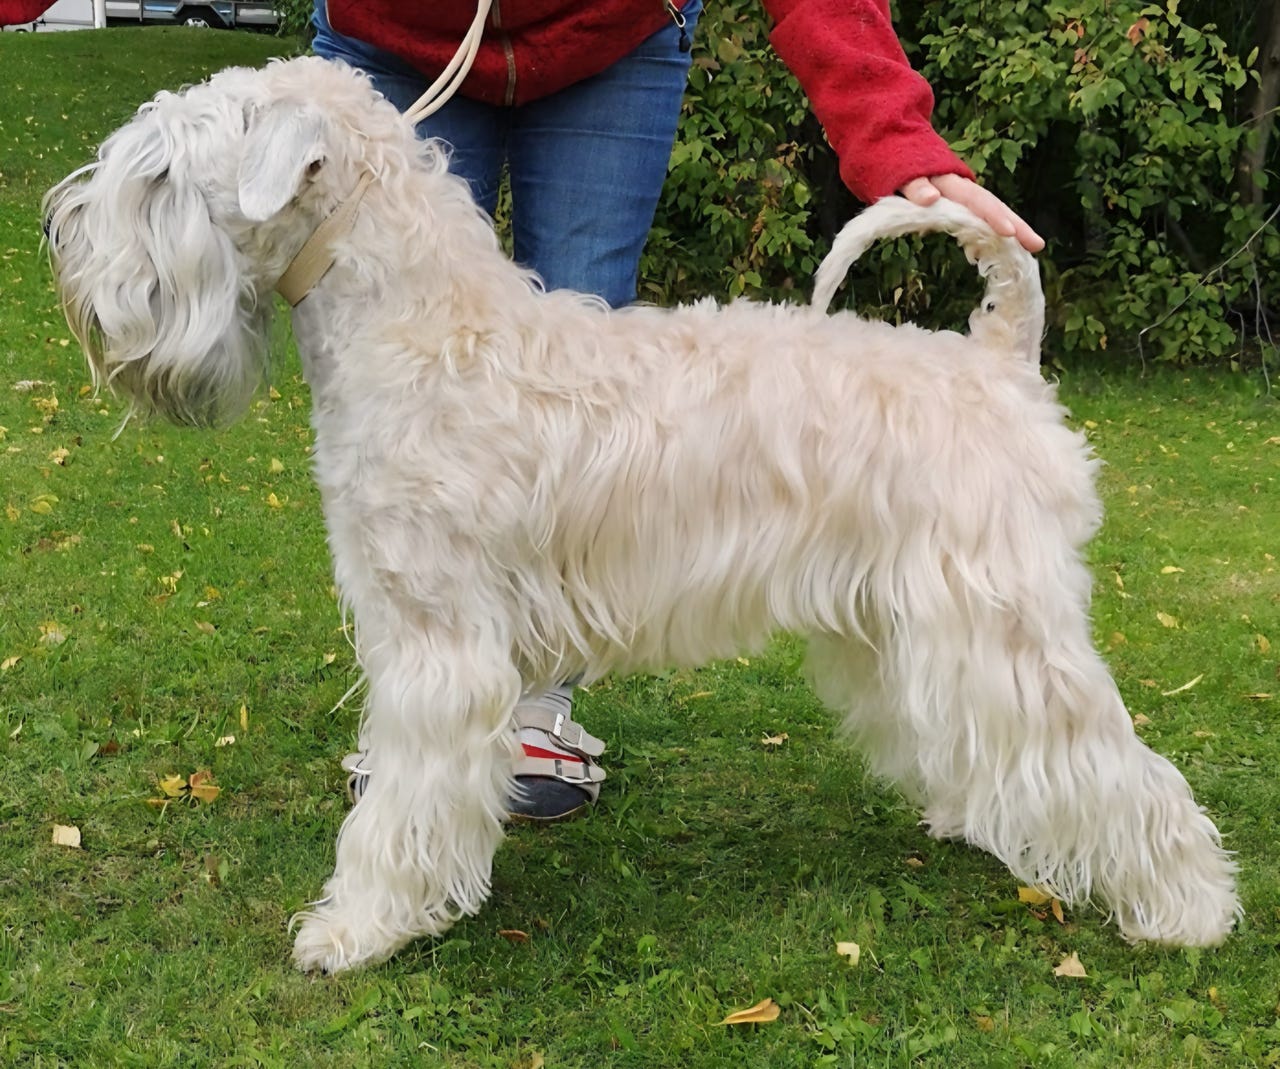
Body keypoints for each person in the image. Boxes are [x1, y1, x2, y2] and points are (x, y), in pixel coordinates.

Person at [314, 0, 1044, 821]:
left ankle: (524, 706)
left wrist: (894, 132)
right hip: (397, 30)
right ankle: (430, 711)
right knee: (407, 442)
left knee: (585, 418)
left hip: (608, 29)